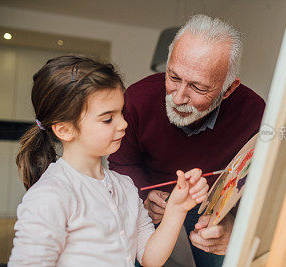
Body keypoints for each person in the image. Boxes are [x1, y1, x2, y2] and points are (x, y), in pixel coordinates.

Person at [9, 55, 208, 266]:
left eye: (122, 112)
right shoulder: (51, 195)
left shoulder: (125, 186)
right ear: (65, 130)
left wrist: (177, 208)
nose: (123, 124)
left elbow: (150, 258)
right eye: (107, 118)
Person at [108, 14, 266, 266]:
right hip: (150, 198)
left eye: (198, 88)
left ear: (229, 89)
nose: (179, 97)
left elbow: (258, 183)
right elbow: (122, 164)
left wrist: (233, 227)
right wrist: (142, 195)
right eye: (173, 77)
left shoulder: (253, 112)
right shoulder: (136, 100)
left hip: (211, 206)